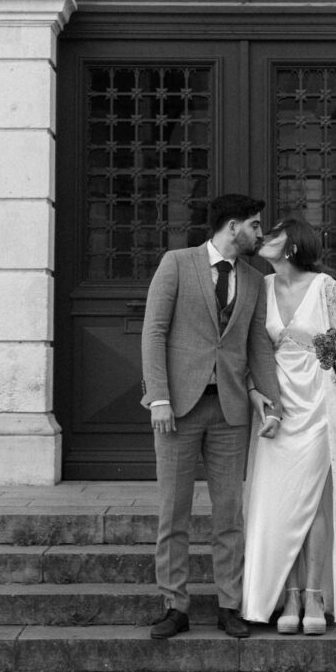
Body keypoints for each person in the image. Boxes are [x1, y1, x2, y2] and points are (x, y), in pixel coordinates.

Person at [141, 193, 282, 640]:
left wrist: (268, 397)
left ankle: (229, 605)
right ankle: (174, 606)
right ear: (233, 226)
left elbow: (257, 344)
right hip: (178, 409)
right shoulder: (176, 263)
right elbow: (154, 332)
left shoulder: (256, 280)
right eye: (255, 226)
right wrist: (158, 397)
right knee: (173, 512)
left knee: (229, 515)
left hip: (230, 410)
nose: (260, 234)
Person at [241, 217, 336, 634]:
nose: (265, 239)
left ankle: (314, 596)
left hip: (316, 399)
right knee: (278, 499)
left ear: (294, 244)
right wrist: (258, 394)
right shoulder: (260, 287)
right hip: (276, 400)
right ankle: (286, 596)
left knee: (313, 500)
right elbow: (253, 349)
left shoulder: (325, 286)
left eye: (274, 234)